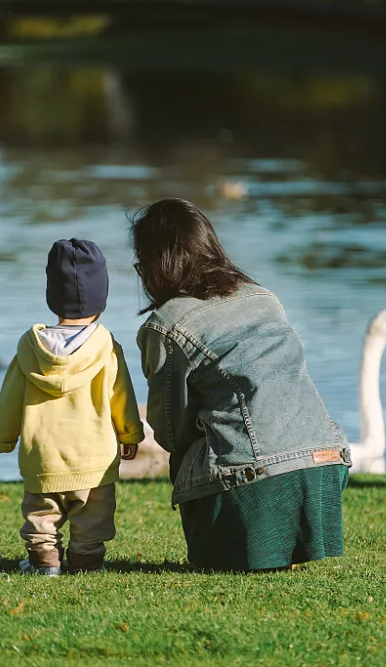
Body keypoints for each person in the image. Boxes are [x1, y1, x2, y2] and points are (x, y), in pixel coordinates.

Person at [131, 198, 351, 572]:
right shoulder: (263, 297)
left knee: (187, 454)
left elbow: (170, 431)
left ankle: (231, 538)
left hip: (254, 478)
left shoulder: (166, 324)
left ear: (157, 264)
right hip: (327, 461)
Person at [0, 238, 145, 576]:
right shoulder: (106, 347)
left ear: (52, 297)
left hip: (42, 457)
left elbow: (10, 398)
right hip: (94, 458)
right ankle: (87, 562)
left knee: (41, 516)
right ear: (101, 301)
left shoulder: (31, 349)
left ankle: (44, 561)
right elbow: (121, 394)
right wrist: (130, 432)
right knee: (93, 517)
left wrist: (1, 439)